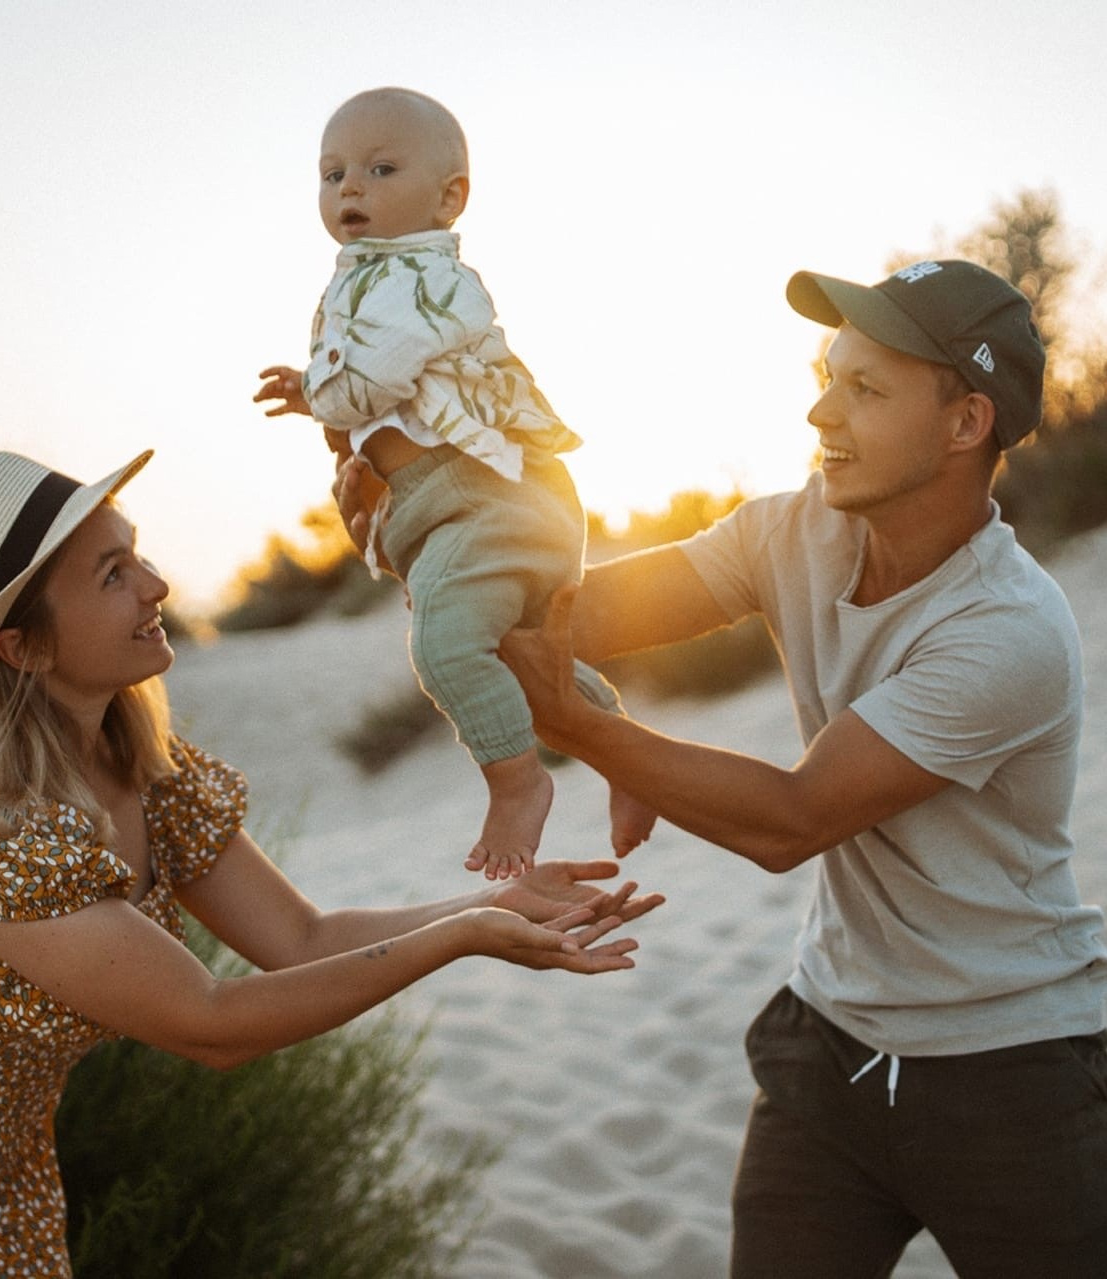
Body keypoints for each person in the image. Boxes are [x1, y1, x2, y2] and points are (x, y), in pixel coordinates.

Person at [342, 257, 1107, 1275]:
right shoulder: (794, 527)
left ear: (967, 423)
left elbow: (790, 821)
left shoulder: (1007, 629)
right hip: (826, 1045)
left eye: (866, 389)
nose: (820, 411)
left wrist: (586, 729)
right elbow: (582, 612)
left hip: (1011, 1072)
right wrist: (431, 545)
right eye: (827, 374)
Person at [0, 447, 664, 1277]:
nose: (156, 585)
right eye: (113, 575)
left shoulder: (147, 770)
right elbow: (215, 1023)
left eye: (137, 553)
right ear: (24, 647)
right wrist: (464, 937)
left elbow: (302, 937)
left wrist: (495, 903)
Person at [254, 85, 655, 881]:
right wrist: (320, 396)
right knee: (511, 659)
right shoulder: (364, 279)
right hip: (454, 505)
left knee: (443, 645)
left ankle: (517, 781)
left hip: (488, 493)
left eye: (378, 168)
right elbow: (363, 390)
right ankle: (629, 757)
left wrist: (318, 391)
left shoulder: (427, 279)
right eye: (331, 174)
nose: (350, 189)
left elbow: (369, 379)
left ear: (450, 197)